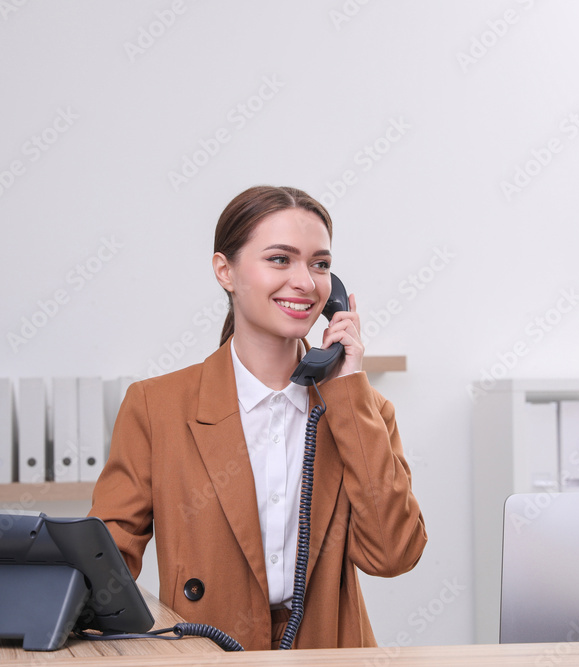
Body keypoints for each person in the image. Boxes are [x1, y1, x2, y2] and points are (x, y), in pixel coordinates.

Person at [88, 185, 426, 650]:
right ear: (225, 270)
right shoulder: (155, 406)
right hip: (205, 652)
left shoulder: (361, 410)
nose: (306, 282)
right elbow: (106, 562)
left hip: (328, 654)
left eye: (321, 264)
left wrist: (347, 390)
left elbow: (394, 555)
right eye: (280, 259)